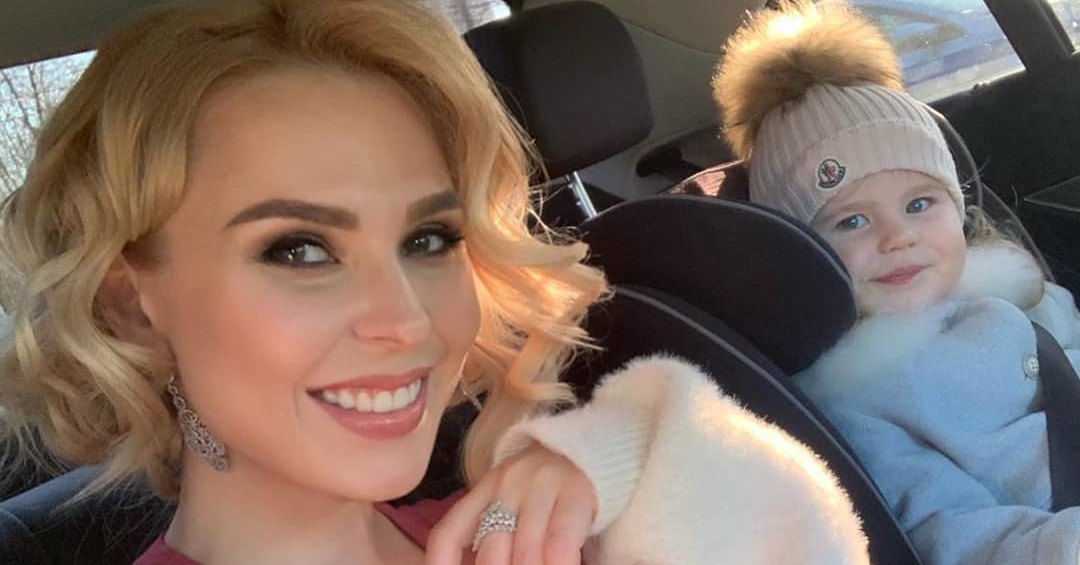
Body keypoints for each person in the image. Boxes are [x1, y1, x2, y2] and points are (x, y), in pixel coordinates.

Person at [0, 0, 869, 563]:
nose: (407, 318)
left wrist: (626, 454)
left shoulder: (522, 527)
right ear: (132, 303)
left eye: (428, 239)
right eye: (299, 250)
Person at [713, 1, 1080, 563]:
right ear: (804, 254)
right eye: (851, 221)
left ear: (958, 207)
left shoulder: (1027, 297)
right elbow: (954, 534)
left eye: (919, 204)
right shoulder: (857, 402)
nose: (898, 237)